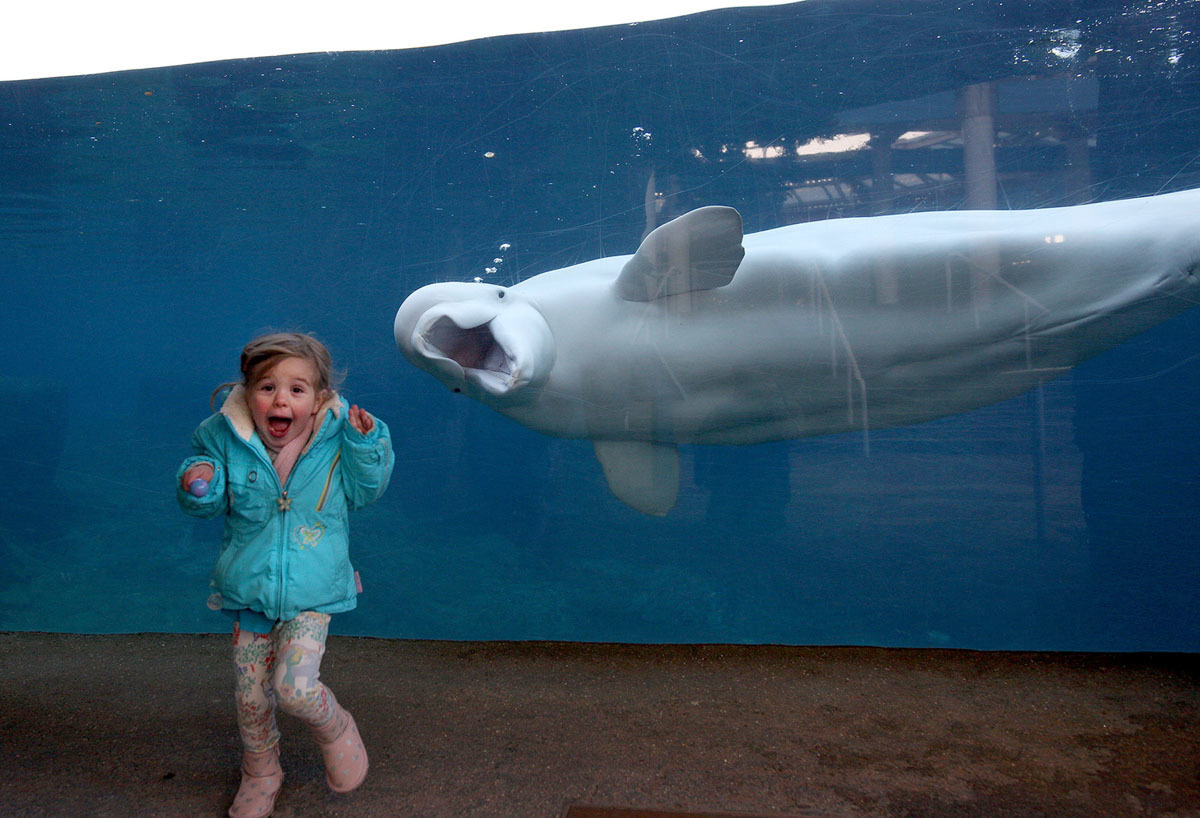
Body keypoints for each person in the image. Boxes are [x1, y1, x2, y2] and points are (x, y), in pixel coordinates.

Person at [177, 332, 393, 818]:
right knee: (251, 696)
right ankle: (261, 770)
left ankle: (336, 727)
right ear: (247, 391)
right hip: (248, 590)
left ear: (318, 399)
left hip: (314, 590)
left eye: (297, 390)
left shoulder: (340, 436)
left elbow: (365, 493)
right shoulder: (222, 435)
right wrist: (197, 483)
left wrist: (366, 444)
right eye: (267, 387)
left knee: (295, 688)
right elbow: (205, 496)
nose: (281, 399)